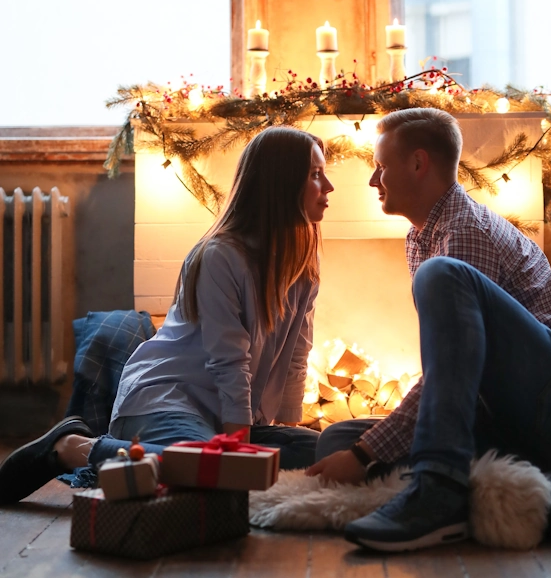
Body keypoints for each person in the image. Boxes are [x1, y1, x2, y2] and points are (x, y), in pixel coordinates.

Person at [306, 108, 551, 552]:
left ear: (417, 164)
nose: (374, 181)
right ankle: (547, 491)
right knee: (336, 439)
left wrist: (364, 455)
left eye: (381, 166)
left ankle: (437, 493)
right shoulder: (421, 236)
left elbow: (439, 376)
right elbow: (452, 371)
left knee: (440, 276)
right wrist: (359, 450)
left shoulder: (462, 230)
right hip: (515, 418)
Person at [0, 126, 334, 504]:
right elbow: (230, 361)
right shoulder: (221, 256)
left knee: (328, 453)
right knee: (217, 474)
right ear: (280, 183)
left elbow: (296, 354)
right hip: (165, 399)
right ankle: (73, 447)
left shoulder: (304, 262)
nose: (329, 187)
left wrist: (281, 431)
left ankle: (208, 459)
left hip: (225, 420)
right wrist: (237, 458)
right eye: (316, 175)